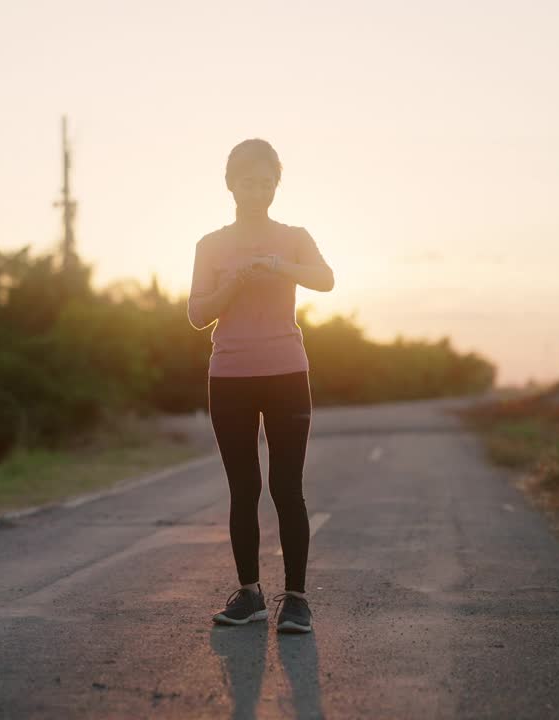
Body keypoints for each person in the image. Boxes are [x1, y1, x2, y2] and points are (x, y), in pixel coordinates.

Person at [187, 138, 335, 633]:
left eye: (267, 182)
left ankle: (296, 600)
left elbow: (325, 279)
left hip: (287, 373)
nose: (258, 190)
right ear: (231, 184)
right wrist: (235, 283)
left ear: (277, 185)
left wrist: (277, 266)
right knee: (243, 488)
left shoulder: (293, 236)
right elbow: (196, 314)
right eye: (248, 181)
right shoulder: (210, 245)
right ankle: (248, 594)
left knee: (286, 488)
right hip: (229, 377)